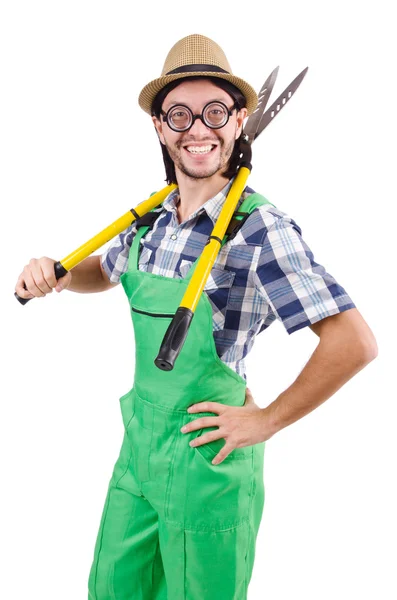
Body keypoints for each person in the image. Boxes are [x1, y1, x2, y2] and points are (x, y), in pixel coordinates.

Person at [15, 34, 378, 600]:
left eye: (214, 111)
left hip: (209, 461)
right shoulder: (151, 220)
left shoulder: (259, 229)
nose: (197, 128)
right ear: (160, 128)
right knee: (112, 588)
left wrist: (266, 421)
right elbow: (105, 272)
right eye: (179, 114)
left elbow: (353, 341)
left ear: (238, 121)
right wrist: (56, 276)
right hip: (138, 453)